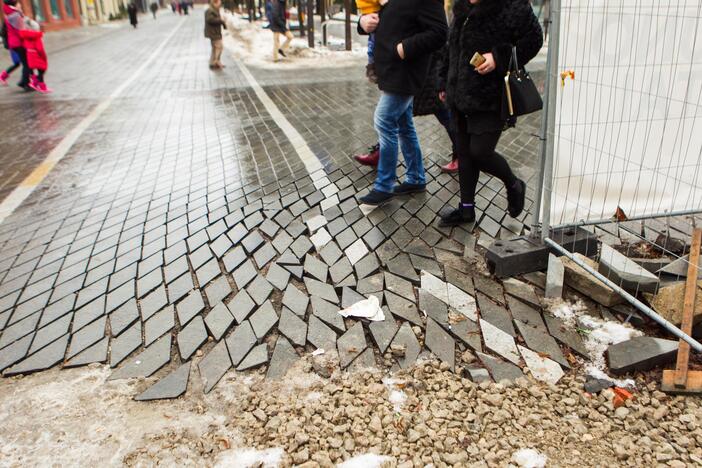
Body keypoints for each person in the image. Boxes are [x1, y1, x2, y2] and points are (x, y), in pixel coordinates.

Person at [438, 0, 542, 226]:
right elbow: (451, 47)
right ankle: (466, 210)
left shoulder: (512, 5)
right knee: (464, 152)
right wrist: (443, 83)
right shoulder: (462, 7)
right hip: (459, 94)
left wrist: (498, 58)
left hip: (491, 95)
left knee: (480, 152)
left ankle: (513, 183)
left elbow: (534, 40)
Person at [357, 0, 448, 206]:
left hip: (406, 72)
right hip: (390, 70)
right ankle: (416, 178)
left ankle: (384, 186)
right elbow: (379, 13)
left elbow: (440, 32)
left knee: (384, 120)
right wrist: (363, 22)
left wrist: (403, 48)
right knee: (404, 125)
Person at [354, 47, 459, 173]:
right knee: (396, 116)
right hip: (413, 70)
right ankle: (381, 154)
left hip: (428, 68)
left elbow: (437, 36)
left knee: (445, 115)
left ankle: (462, 155)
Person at [355, 0, 387, 83]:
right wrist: (362, 21)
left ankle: (372, 66)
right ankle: (372, 66)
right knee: (372, 43)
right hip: (372, 12)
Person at [2, 0, 30, 91]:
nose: (20, 4)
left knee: (23, 62)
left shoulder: (9, 14)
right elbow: (21, 31)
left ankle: (24, 81)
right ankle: (24, 83)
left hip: (14, 43)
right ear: (14, 4)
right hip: (18, 43)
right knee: (26, 64)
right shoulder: (15, 15)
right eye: (18, 3)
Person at [20, 18, 49, 93]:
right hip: (37, 55)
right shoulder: (37, 37)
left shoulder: (25, 35)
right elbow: (40, 49)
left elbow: (25, 45)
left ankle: (38, 84)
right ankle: (37, 84)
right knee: (42, 70)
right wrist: (43, 57)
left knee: (39, 71)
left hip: (30, 55)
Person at [204, 0, 226, 69]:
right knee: (219, 47)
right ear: (215, 3)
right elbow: (210, 19)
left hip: (214, 32)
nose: (220, 5)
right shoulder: (210, 10)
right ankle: (215, 62)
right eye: (219, 3)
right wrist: (220, 20)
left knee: (215, 48)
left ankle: (213, 62)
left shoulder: (214, 9)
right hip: (213, 33)